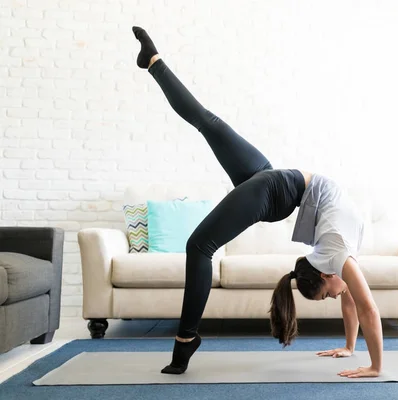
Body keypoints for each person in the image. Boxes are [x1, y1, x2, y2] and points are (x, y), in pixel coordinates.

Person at [132, 26, 383, 379]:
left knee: (199, 238)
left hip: (278, 185)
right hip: (274, 186)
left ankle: (184, 339)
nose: (336, 296)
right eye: (329, 295)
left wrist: (350, 346)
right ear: (328, 274)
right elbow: (366, 307)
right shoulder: (340, 255)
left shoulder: (337, 261)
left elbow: (351, 301)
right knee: (200, 240)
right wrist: (373, 365)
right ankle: (153, 61)